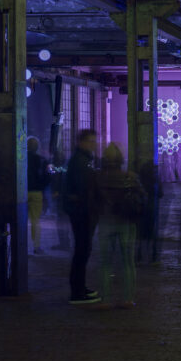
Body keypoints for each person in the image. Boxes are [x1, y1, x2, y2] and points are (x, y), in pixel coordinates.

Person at [94, 144, 145, 308]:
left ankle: (106, 299)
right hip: (126, 222)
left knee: (105, 263)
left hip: (105, 221)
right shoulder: (130, 177)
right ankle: (128, 298)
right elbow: (143, 197)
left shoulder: (99, 177)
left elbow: (92, 201)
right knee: (128, 262)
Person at [64, 129, 101, 304]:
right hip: (82, 212)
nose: (94, 145)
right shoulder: (81, 162)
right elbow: (84, 189)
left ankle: (80, 287)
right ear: (81, 142)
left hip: (80, 211)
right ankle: (77, 292)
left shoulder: (82, 160)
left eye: (94, 141)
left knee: (83, 250)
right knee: (82, 250)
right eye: (90, 141)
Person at [136, 156, 162, 264]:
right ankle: (153, 255)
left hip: (142, 205)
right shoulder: (155, 177)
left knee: (141, 230)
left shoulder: (140, 177)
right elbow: (160, 193)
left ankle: (139, 255)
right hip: (152, 205)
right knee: (152, 230)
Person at [26, 136, 49, 254]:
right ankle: (36, 246)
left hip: (22, 192)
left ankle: (22, 246)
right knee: (35, 220)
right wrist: (42, 187)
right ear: (37, 147)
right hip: (36, 192)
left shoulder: (21, 159)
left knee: (21, 220)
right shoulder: (42, 160)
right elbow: (47, 176)